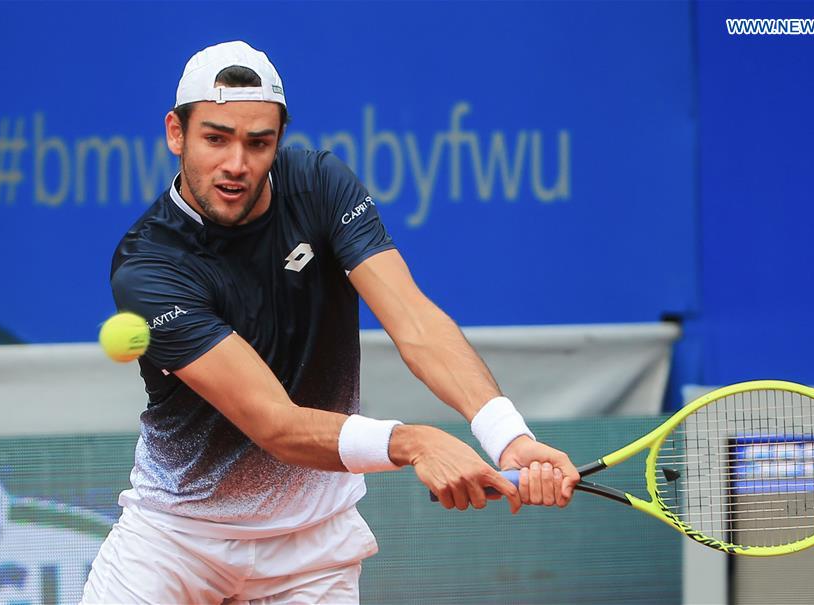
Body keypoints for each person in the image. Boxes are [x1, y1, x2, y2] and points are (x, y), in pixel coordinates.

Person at [82, 40, 580, 604]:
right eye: (215, 138)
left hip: (312, 552)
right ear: (177, 133)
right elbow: (275, 424)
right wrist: (414, 442)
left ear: (278, 140)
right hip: (177, 543)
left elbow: (415, 322)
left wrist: (508, 436)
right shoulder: (150, 267)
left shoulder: (320, 186)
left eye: (258, 142)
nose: (236, 164)